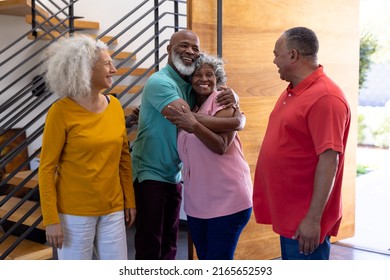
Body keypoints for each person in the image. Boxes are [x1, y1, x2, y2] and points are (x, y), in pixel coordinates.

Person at [131, 30, 244, 260]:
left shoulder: (190, 87)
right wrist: (238, 121)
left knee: (170, 245)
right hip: (150, 172)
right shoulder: (159, 82)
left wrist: (236, 104)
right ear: (168, 50)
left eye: (195, 48)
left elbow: (197, 114)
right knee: (151, 245)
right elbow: (184, 117)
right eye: (184, 46)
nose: (190, 52)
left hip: (174, 174)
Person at [252, 27, 351, 260]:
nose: (274, 60)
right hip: (289, 214)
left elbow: (329, 161)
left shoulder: (326, 97)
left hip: (304, 222)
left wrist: (312, 220)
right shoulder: (294, 90)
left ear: (293, 55)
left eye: (277, 54)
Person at [38, 35, 136, 260]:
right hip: (74, 214)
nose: (114, 69)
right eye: (107, 63)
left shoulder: (116, 107)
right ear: (86, 69)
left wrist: (129, 201)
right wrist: (51, 219)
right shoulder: (61, 111)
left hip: (112, 209)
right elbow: (46, 169)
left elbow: (123, 160)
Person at [166, 53, 253, 260]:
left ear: (218, 79)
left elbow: (221, 145)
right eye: (197, 74)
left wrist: (194, 125)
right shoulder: (188, 105)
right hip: (197, 204)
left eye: (210, 74)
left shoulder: (222, 100)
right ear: (189, 79)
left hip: (228, 199)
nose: (203, 79)